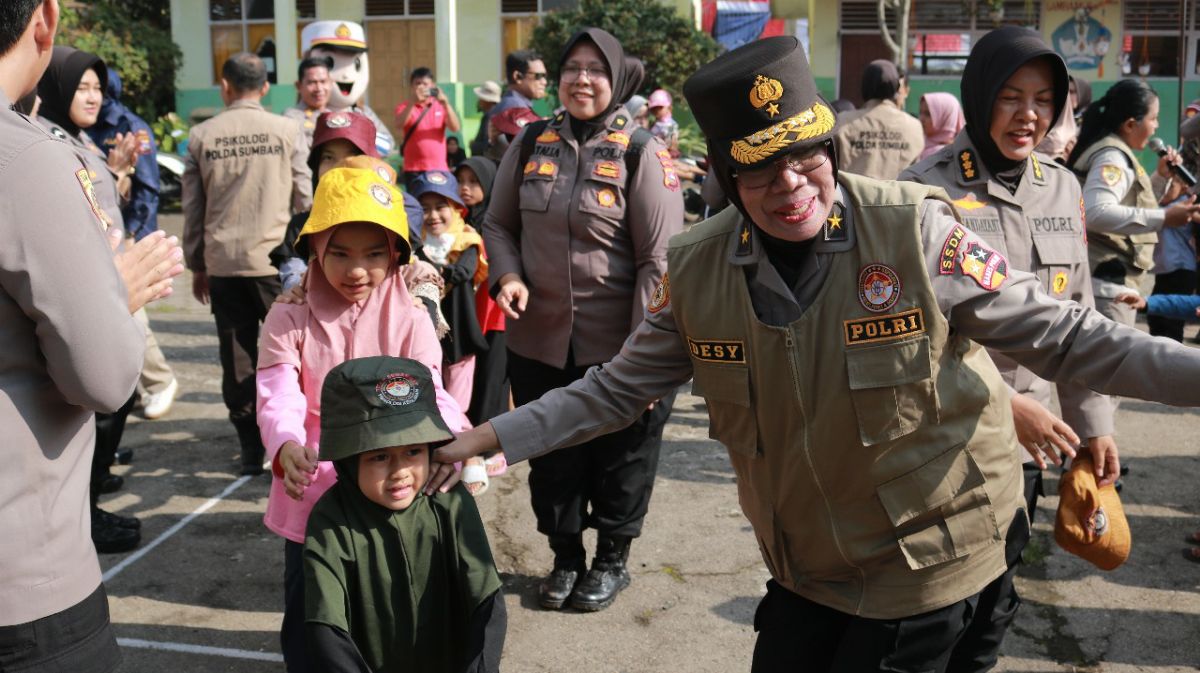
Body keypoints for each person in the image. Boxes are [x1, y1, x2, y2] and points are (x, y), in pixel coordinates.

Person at [428, 35, 1200, 672]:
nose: (792, 184)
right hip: (809, 565)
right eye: (761, 167)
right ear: (728, 176)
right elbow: (612, 390)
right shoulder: (698, 271)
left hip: (929, 566)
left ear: (831, 147)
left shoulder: (916, 231)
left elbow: (1070, 335)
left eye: (807, 156)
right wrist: (483, 438)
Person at [900, 27, 1117, 671]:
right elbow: (911, 336)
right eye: (1010, 97)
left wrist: (1095, 425)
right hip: (949, 437)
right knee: (936, 610)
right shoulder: (923, 190)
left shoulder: (1063, 187)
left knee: (995, 608)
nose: (1029, 115)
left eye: (1044, 100)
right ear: (979, 96)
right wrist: (1004, 404)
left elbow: (1078, 315)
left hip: (1034, 445)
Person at [1, 0, 181, 667]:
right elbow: (103, 379)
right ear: (44, 20)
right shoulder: (27, 158)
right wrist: (115, 297)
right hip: (24, 578)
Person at [481, 27, 683, 613]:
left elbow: (658, 262)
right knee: (552, 456)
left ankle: (612, 561)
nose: (582, 80)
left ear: (616, 80)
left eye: (596, 70)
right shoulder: (529, 142)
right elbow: (497, 224)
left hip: (619, 346)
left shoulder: (643, 151)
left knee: (623, 457)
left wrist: (645, 355)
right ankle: (565, 556)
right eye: (572, 68)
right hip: (539, 341)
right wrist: (508, 276)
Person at [256, 166, 468, 672]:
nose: (357, 271)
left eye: (374, 254)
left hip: (392, 483)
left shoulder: (411, 316)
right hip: (314, 482)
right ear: (315, 250)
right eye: (340, 254)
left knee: (382, 601)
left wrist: (457, 442)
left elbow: (431, 391)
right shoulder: (289, 315)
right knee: (311, 605)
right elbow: (278, 388)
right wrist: (286, 444)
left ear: (396, 253)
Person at [304, 356, 505, 673]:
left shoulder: (448, 501)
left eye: (413, 451)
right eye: (379, 456)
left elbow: (486, 598)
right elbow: (326, 626)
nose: (400, 471)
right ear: (348, 459)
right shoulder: (331, 521)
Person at [37, 45, 152, 551]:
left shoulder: (79, 138)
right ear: (56, 88)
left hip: (111, 286)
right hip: (87, 292)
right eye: (81, 86)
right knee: (98, 402)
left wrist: (119, 171)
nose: (92, 96)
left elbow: (100, 204)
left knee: (115, 399)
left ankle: (94, 493)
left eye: (97, 88)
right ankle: (84, 515)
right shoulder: (47, 142)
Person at [183, 52, 312, 475]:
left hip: (224, 264)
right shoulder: (287, 130)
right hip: (276, 263)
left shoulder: (202, 135)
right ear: (266, 88)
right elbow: (305, 199)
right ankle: (293, 439)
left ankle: (250, 449)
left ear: (225, 87)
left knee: (237, 356)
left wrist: (197, 263)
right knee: (291, 353)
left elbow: (193, 208)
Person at [1067, 79, 1200, 333]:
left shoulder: (1118, 153)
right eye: (1153, 118)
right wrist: (1164, 217)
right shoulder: (1112, 157)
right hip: (1105, 285)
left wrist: (1160, 177)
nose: (1157, 126)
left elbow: (1132, 202)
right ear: (1130, 124)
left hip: (1109, 283)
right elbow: (1095, 212)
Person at [86, 66, 178, 421]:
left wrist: (136, 234)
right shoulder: (77, 123)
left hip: (125, 231)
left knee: (130, 307)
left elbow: (148, 187)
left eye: (96, 88)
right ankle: (139, 386)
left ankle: (159, 380)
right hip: (99, 229)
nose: (91, 97)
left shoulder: (130, 126)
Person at [834, 59, 924, 179]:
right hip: (898, 191)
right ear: (896, 88)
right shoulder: (913, 126)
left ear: (864, 87)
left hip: (852, 191)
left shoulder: (842, 122)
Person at [394, 67, 461, 190]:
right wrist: (412, 103)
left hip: (438, 168)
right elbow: (399, 124)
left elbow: (455, 127)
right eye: (417, 83)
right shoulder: (405, 106)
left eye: (425, 84)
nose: (421, 87)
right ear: (412, 86)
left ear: (432, 86)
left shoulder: (440, 106)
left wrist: (446, 103)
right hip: (413, 169)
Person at [283, 55, 333, 144]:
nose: (319, 88)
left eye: (323, 82)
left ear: (331, 83)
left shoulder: (334, 116)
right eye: (312, 82)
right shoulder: (291, 119)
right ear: (298, 86)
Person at [492, 49, 548, 116]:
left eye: (545, 76)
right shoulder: (516, 108)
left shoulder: (510, 104)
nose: (544, 82)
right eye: (538, 76)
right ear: (517, 77)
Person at [917, 91, 964, 160]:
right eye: (920, 112)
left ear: (945, 117)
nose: (921, 119)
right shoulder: (920, 143)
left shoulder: (946, 154)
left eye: (928, 114)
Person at [469, 80, 502, 157]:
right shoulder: (496, 113)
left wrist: (473, 145)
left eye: (480, 98)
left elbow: (488, 144)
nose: (479, 101)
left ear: (486, 100)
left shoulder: (489, 117)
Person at [647, 88, 680, 154]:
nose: (656, 110)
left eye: (660, 107)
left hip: (662, 153)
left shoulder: (670, 125)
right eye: (654, 108)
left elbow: (671, 144)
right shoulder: (654, 122)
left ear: (669, 108)